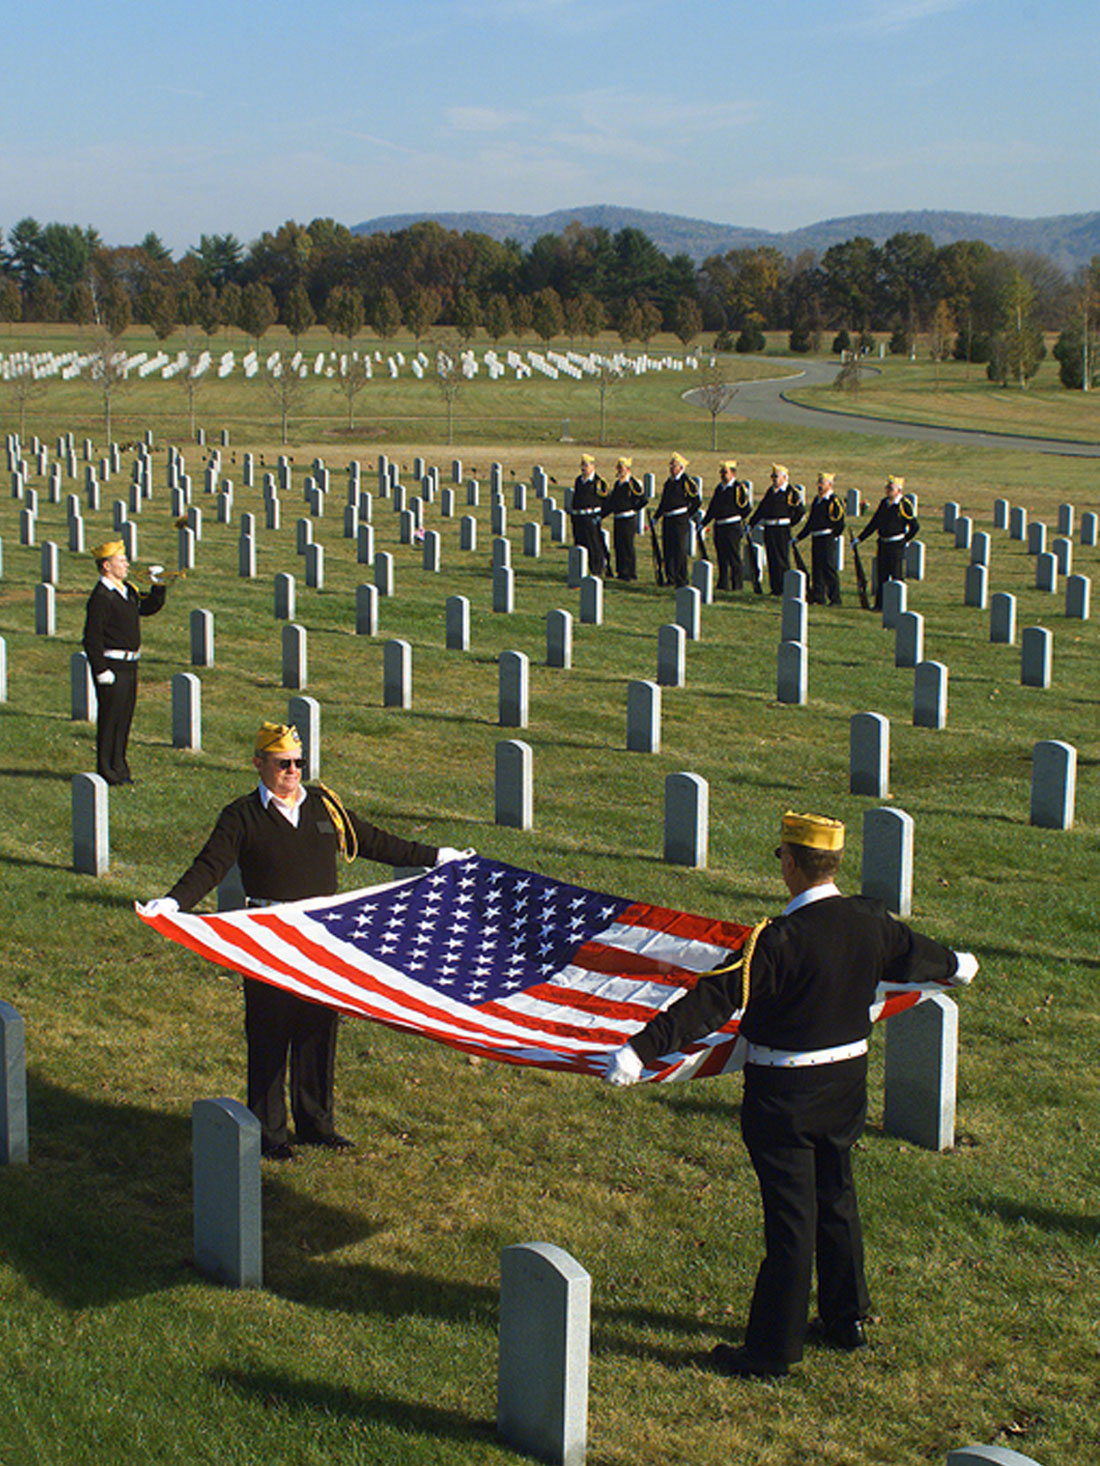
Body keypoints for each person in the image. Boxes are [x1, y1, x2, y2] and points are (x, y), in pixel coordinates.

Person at [605, 809, 977, 1379]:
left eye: (781, 855)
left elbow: (713, 1001)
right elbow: (919, 954)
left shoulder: (776, 940)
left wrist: (639, 1051)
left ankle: (772, 1349)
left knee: (790, 1222)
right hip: (846, 1085)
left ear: (794, 863)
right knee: (836, 1196)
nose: (780, 864)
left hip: (785, 1096)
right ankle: (845, 1317)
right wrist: (960, 965)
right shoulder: (869, 921)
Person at [142, 721, 469, 1161]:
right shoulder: (241, 816)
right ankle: (269, 1133)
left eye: (298, 763)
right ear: (259, 764)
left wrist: (435, 857)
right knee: (269, 1033)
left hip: (320, 936)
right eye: (282, 764)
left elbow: (373, 841)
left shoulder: (323, 807)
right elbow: (211, 865)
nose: (292, 771)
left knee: (318, 1029)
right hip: (270, 937)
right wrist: (174, 902)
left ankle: (317, 1125)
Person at [82, 540, 166, 786]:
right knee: (110, 720)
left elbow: (149, 607)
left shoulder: (126, 589)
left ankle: (120, 768)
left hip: (130, 666)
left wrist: (157, 584)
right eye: (122, 560)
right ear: (107, 566)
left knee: (124, 719)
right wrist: (101, 670)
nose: (127, 564)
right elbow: (91, 637)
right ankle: (107, 770)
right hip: (112, 666)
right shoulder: (101, 597)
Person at [856, 475, 919, 609]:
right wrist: (860, 538)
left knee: (896, 575)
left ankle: (897, 605)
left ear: (899, 490)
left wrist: (905, 540)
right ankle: (879, 605)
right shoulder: (884, 503)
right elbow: (874, 523)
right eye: (887, 487)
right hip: (883, 543)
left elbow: (915, 526)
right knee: (882, 575)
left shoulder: (904, 505)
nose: (888, 490)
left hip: (896, 545)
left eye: (891, 488)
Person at [749, 464, 804, 595]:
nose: (773, 479)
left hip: (782, 528)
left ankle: (784, 587)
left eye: (776, 476)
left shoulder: (791, 492)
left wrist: (789, 523)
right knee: (772, 558)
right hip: (770, 527)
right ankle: (775, 587)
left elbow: (800, 511)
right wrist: (751, 523)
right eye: (772, 476)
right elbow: (761, 509)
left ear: (784, 478)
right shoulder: (771, 491)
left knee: (782, 559)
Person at [650, 452, 700, 588]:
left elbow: (696, 501)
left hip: (680, 519)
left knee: (679, 550)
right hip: (668, 519)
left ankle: (681, 578)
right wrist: (655, 517)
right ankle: (670, 577)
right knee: (668, 549)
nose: (671, 468)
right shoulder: (669, 483)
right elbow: (663, 503)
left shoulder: (686, 482)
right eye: (671, 465)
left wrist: (687, 515)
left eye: (674, 465)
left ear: (681, 468)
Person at [701, 460, 752, 592]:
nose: (723, 475)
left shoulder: (738, 488)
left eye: (725, 472)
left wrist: (736, 518)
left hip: (732, 527)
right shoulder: (719, 488)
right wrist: (703, 523)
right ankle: (723, 584)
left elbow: (746, 508)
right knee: (721, 557)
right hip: (720, 526)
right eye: (722, 472)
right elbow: (712, 508)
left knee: (734, 557)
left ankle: (737, 585)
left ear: (733, 474)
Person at [795, 472, 845, 605]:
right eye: (819, 483)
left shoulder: (834, 501)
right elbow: (810, 523)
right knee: (817, 568)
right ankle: (818, 596)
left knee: (829, 568)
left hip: (827, 537)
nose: (819, 486)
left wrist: (833, 535)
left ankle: (835, 598)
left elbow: (840, 523)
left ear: (830, 485)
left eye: (822, 483)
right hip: (816, 537)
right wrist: (798, 537)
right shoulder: (817, 501)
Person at [603, 456, 647, 581]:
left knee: (628, 546)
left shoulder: (633, 483)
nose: (619, 470)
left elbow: (643, 500)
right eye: (618, 467)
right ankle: (621, 570)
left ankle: (630, 572)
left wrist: (632, 508)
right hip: (618, 518)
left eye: (621, 468)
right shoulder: (618, 483)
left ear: (627, 469)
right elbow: (613, 503)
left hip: (628, 519)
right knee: (619, 545)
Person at [570, 454, 609, 577]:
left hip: (591, 517)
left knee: (594, 545)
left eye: (586, 465)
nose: (583, 468)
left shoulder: (599, 482)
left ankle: (596, 569)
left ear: (593, 467)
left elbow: (607, 501)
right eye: (582, 465)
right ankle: (581, 569)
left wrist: (599, 516)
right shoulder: (579, 480)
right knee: (580, 543)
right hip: (578, 517)